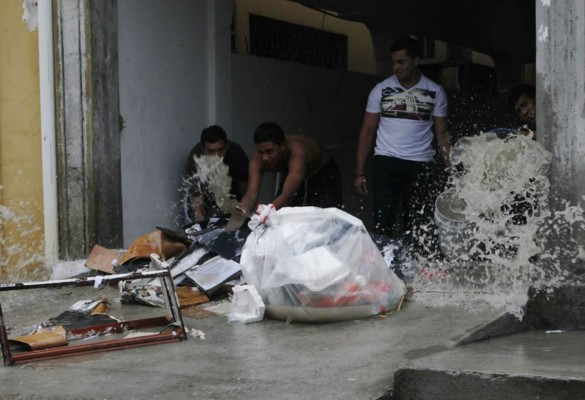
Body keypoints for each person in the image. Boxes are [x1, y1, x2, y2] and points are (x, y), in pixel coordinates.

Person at [353, 36, 451, 239]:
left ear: (416, 61)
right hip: (386, 161)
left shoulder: (435, 91)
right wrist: (359, 172)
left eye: (401, 62)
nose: (395, 67)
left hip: (420, 163)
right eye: (393, 62)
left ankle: (411, 266)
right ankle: (383, 264)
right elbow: (367, 130)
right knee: (383, 219)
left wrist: (451, 169)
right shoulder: (381, 90)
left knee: (416, 222)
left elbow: (441, 134)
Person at [238, 122, 342, 214]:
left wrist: (264, 215)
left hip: (322, 173)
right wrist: (234, 224)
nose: (265, 158)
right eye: (261, 152)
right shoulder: (257, 159)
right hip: (292, 174)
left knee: (327, 216)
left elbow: (287, 195)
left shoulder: (298, 153)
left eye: (269, 152)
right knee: (285, 214)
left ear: (283, 146)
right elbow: (250, 196)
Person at [185, 125, 249, 224]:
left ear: (226, 147)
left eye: (220, 150)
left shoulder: (236, 153)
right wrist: (201, 224)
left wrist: (242, 215)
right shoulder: (196, 159)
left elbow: (245, 190)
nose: (217, 155)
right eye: (211, 151)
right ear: (203, 149)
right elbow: (196, 197)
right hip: (206, 200)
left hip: (233, 197)